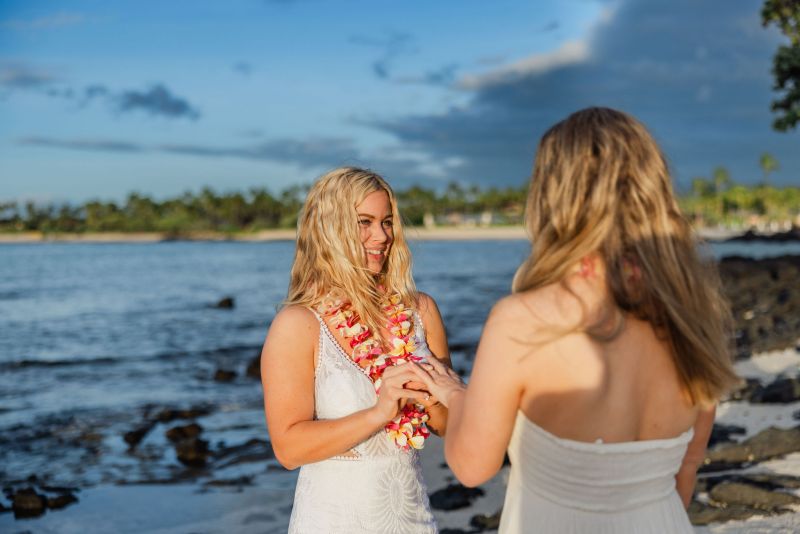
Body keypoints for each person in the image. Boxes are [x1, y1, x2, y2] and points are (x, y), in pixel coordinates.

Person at [409, 108, 739, 533]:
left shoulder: (521, 320)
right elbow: (685, 475)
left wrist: (456, 395)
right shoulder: (696, 317)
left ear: (553, 198)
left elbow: (473, 468)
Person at [261, 167, 451, 533]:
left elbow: (450, 426)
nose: (381, 236)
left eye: (387, 222)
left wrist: (429, 399)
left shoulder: (421, 311)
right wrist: (380, 411)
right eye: (364, 222)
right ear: (330, 229)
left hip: (412, 519)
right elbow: (288, 448)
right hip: (334, 520)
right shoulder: (298, 324)